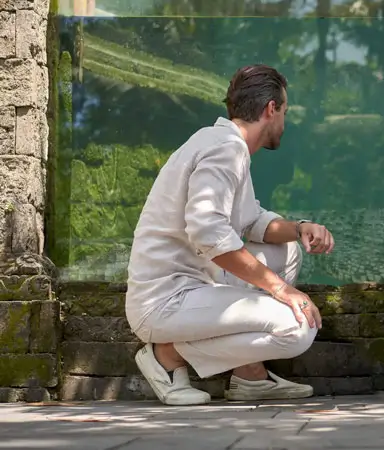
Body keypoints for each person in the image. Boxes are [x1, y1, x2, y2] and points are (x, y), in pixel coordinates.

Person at [125, 64, 335, 406]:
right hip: (166, 301)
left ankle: (249, 377)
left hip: (197, 286)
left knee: (289, 250)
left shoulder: (226, 145)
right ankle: (168, 355)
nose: (285, 121)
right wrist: (282, 289)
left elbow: (253, 222)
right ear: (271, 109)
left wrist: (299, 229)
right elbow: (209, 234)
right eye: (285, 111)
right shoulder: (225, 149)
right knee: (299, 328)